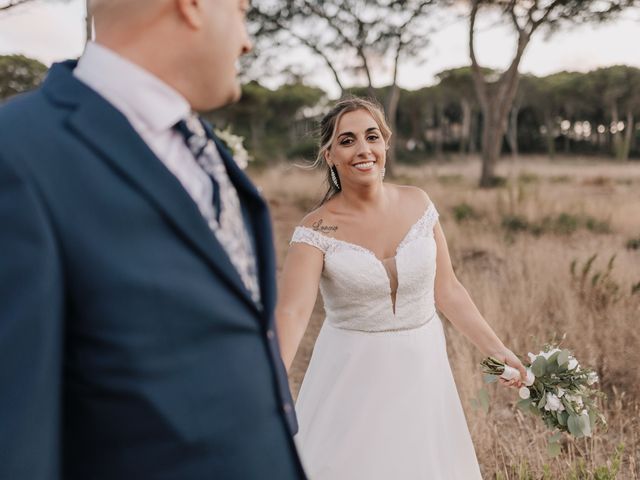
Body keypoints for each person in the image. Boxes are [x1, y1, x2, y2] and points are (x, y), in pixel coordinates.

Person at [0, 0, 305, 478]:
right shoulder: (16, 156)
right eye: (243, 9)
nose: (247, 41)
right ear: (192, 6)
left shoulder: (203, 150)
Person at [276, 97, 527, 479]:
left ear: (386, 143)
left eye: (372, 136)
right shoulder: (315, 230)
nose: (363, 149)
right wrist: (271, 387)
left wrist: (499, 350)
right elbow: (292, 314)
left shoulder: (419, 203)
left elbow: (449, 290)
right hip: (350, 376)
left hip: (422, 367)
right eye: (347, 141)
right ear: (329, 155)